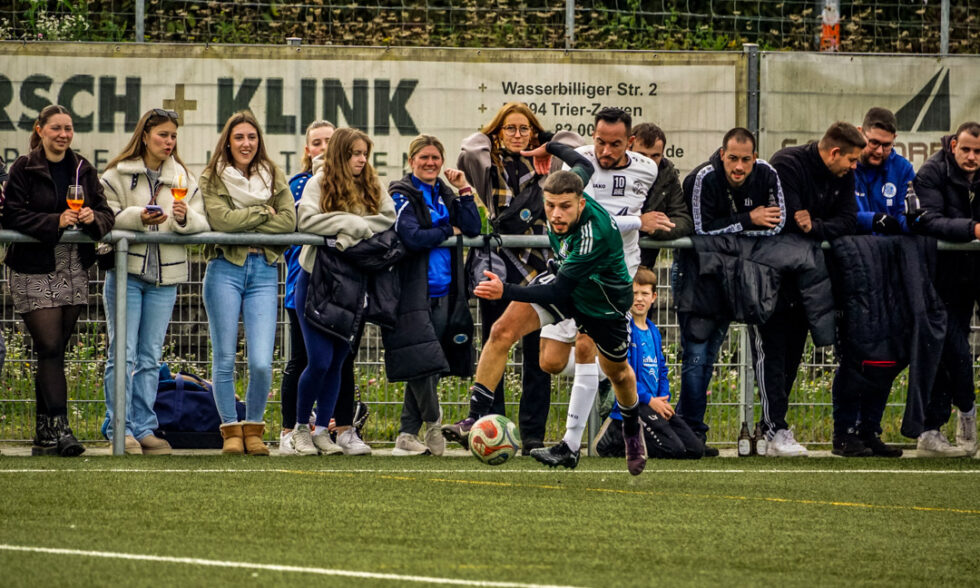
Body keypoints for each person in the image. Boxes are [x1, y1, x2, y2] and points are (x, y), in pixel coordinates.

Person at [445, 142, 649, 476]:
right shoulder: (574, 185)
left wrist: (505, 290)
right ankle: (474, 418)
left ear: (581, 202)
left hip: (603, 305)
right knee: (502, 331)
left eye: (565, 207)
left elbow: (558, 291)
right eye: (550, 205)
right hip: (566, 281)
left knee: (619, 374)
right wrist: (549, 148)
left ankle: (631, 430)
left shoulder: (593, 234)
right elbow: (582, 162)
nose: (555, 215)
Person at [536, 107, 684, 462]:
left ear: (629, 142)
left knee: (586, 344)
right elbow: (593, 216)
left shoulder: (649, 169)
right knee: (551, 362)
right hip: (574, 264)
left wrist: (654, 225)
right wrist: (548, 144)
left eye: (615, 144)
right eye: (600, 141)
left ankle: (571, 445)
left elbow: (665, 217)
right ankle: (608, 376)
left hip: (611, 277)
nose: (605, 150)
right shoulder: (581, 164)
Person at [3, 104, 115, 456]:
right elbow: (12, 215)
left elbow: (107, 214)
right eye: (56, 128)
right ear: (40, 130)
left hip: (73, 267)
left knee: (53, 352)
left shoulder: (83, 168)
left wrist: (91, 217)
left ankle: (44, 432)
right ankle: (62, 429)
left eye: (68, 128)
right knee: (50, 347)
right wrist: (56, 221)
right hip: (33, 267)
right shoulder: (24, 167)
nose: (64, 134)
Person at [100, 108, 210, 455]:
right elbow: (104, 216)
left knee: (150, 357)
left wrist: (184, 218)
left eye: (173, 136)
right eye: (163, 134)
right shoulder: (117, 174)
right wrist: (138, 217)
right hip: (126, 275)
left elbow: (202, 221)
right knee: (123, 354)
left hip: (166, 280)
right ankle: (118, 427)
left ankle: (144, 427)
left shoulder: (183, 177)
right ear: (145, 136)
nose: (169, 141)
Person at [675, 127, 784, 454]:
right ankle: (692, 431)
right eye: (733, 158)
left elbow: (777, 225)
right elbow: (701, 229)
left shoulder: (767, 174)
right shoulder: (702, 178)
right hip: (697, 276)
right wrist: (749, 219)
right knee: (695, 357)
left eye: (745, 160)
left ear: (754, 158)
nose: (739, 166)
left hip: (731, 278)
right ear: (722, 154)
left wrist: (734, 230)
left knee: (708, 358)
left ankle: (686, 430)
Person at [456, 102, 555, 452]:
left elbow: (572, 143)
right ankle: (490, 424)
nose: (517, 135)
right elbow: (470, 149)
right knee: (495, 342)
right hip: (498, 263)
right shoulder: (488, 163)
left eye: (525, 128)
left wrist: (546, 143)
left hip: (538, 264)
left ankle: (533, 434)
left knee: (538, 353)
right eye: (509, 128)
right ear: (497, 132)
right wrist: (490, 135)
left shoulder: (545, 163)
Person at [290, 127, 395, 456]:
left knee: (338, 360)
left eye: (364, 153)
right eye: (354, 154)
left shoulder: (372, 183)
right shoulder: (318, 182)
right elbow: (306, 221)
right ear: (339, 154)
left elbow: (389, 218)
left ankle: (323, 431)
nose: (361, 160)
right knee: (319, 360)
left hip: (353, 282)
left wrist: (351, 233)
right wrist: (351, 224)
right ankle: (300, 430)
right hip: (316, 280)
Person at [200, 111, 296, 456]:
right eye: (239, 137)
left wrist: (246, 221)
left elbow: (289, 221)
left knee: (260, 361)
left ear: (259, 141)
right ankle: (230, 430)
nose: (246, 143)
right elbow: (222, 221)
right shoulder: (212, 176)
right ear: (228, 141)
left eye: (252, 137)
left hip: (265, 270)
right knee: (225, 357)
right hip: (224, 267)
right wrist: (262, 213)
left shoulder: (273, 174)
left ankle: (254, 428)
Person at [763, 121, 861, 457]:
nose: (854, 167)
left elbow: (849, 220)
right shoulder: (788, 163)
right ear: (834, 152)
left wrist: (816, 225)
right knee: (773, 356)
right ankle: (772, 428)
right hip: (776, 278)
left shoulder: (844, 175)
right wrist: (819, 227)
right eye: (851, 160)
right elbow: (789, 221)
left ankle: (775, 428)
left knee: (792, 356)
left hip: (810, 282)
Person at [388, 135, 481, 456]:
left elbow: (472, 227)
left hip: (445, 292)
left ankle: (406, 434)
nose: (430, 163)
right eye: (424, 157)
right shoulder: (401, 193)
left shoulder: (444, 192)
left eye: (435, 158)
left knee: (430, 364)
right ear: (411, 161)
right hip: (413, 293)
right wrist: (446, 231)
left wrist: (464, 189)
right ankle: (433, 421)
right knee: (424, 364)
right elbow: (411, 236)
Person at [829, 107, 914, 458]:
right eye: (874, 142)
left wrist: (894, 222)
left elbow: (909, 216)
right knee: (855, 356)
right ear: (862, 133)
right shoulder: (847, 166)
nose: (878, 151)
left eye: (886, 145)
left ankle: (870, 430)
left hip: (891, 274)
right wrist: (875, 220)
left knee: (889, 355)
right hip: (852, 273)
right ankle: (844, 433)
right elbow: (843, 216)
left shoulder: (903, 168)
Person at [911, 120, 980, 458]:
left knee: (953, 351)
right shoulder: (931, 172)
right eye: (966, 149)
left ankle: (950, 421)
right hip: (945, 277)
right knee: (951, 350)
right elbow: (928, 219)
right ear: (953, 145)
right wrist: (974, 229)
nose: (972, 157)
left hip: (975, 272)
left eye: (978, 151)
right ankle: (954, 418)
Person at [594, 268, 703, 459]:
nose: (639, 299)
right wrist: (650, 400)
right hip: (633, 403)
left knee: (695, 449)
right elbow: (622, 373)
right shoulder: (623, 330)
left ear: (653, 297)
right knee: (674, 450)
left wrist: (662, 398)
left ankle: (639, 435)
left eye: (644, 294)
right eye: (634, 293)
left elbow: (661, 369)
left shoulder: (653, 331)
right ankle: (613, 436)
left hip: (654, 403)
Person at [279, 120, 337, 456]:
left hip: (339, 289)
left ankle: (328, 428)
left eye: (330, 141)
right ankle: (290, 429)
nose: (324, 148)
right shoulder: (298, 184)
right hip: (302, 284)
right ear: (307, 149)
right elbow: (296, 231)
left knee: (334, 361)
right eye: (317, 142)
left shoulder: (350, 183)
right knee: (302, 359)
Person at [630, 122, 692, 268]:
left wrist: (656, 227)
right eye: (641, 155)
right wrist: (639, 222)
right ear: (628, 148)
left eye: (655, 156)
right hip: (607, 263)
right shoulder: (612, 170)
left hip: (643, 265)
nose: (648, 161)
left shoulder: (667, 174)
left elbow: (683, 220)